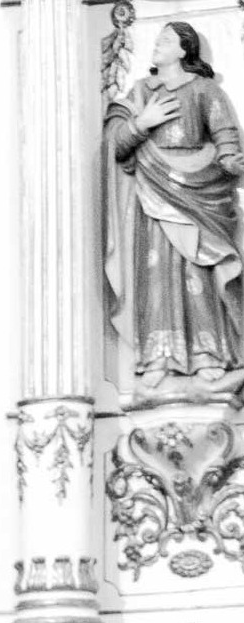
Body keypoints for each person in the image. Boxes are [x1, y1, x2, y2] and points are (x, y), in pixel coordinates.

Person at [104, 20, 244, 392]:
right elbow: (116, 145)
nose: (157, 46)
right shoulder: (139, 92)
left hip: (199, 189)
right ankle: (159, 356)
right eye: (157, 40)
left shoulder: (203, 90)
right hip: (153, 190)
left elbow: (225, 133)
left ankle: (207, 354)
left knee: (197, 268)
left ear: (185, 49)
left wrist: (230, 159)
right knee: (157, 273)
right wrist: (142, 123)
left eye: (166, 41)